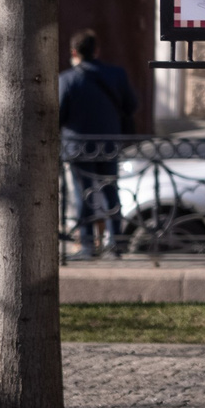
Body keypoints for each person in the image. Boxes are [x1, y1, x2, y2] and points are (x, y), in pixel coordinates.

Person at [57, 31, 137, 259]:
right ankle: (116, 245)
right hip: (109, 144)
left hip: (78, 147)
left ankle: (87, 246)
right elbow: (131, 105)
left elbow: (59, 114)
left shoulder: (67, 79)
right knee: (111, 192)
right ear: (97, 51)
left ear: (74, 52)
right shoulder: (116, 74)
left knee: (84, 196)